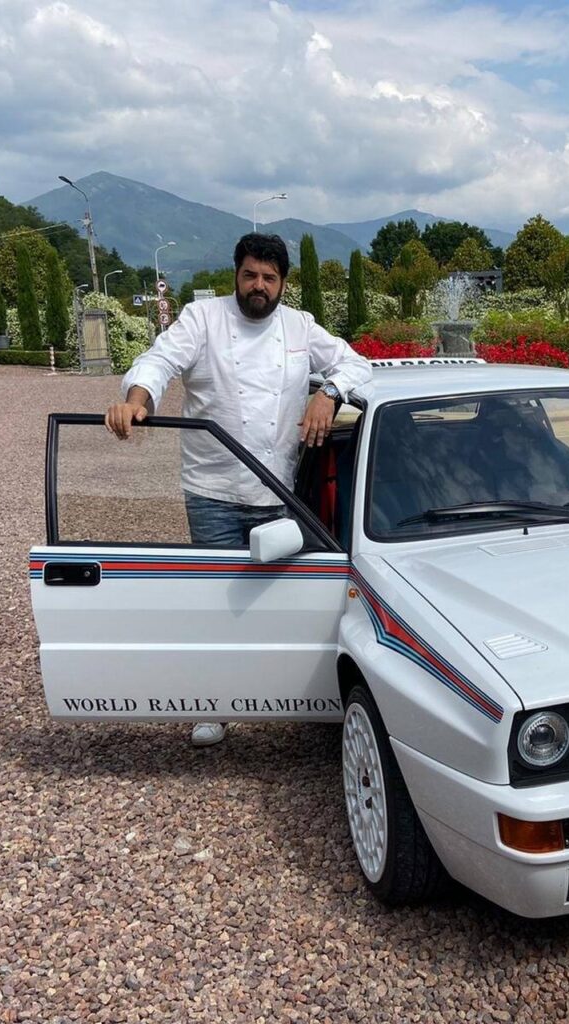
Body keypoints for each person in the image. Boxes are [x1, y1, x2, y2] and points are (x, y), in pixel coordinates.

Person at [105, 233, 372, 747]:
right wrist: (137, 399)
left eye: (269, 278)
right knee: (216, 604)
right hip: (212, 490)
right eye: (250, 275)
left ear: (282, 284)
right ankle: (214, 704)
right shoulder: (202, 320)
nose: (259, 286)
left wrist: (329, 393)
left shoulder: (299, 326)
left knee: (288, 602)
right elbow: (159, 361)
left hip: (278, 492)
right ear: (235, 274)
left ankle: (291, 696)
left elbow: (353, 362)